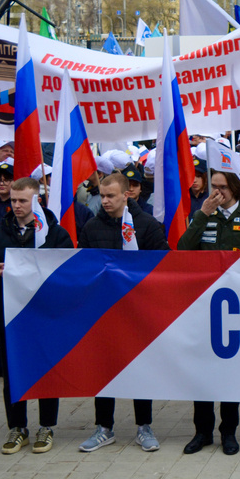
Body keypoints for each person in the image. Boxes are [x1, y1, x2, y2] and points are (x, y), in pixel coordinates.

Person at [178, 170, 240, 456]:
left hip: (238, 308)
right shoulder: (202, 215)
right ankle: (202, 432)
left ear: (235, 189)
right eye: (213, 187)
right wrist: (202, 216)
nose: (216, 193)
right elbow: (183, 251)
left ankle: (228, 432)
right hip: (204, 305)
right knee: (202, 372)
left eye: (222, 188)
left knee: (231, 373)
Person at [76, 172, 168, 453]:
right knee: (104, 368)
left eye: (111, 196)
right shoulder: (92, 227)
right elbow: (83, 267)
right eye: (102, 195)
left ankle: (144, 426)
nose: (104, 201)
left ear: (126, 195)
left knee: (140, 367)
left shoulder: (148, 225)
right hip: (103, 313)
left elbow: (162, 267)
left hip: (138, 312)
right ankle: (104, 427)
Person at [0, 178, 72, 455]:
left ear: (36, 201)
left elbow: (65, 273)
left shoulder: (55, 234)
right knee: (13, 372)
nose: (16, 205)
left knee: (46, 369)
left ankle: (47, 425)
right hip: (11, 318)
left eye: (22, 201)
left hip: (45, 316)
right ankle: (17, 427)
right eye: (13, 200)